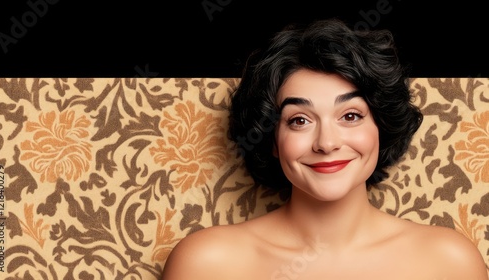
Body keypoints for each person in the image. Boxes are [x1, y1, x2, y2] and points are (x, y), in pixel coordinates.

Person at [161, 18, 488, 279]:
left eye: (350, 116)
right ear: (272, 140)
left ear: (381, 129)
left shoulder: (449, 262)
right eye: (299, 120)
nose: (327, 143)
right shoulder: (206, 263)